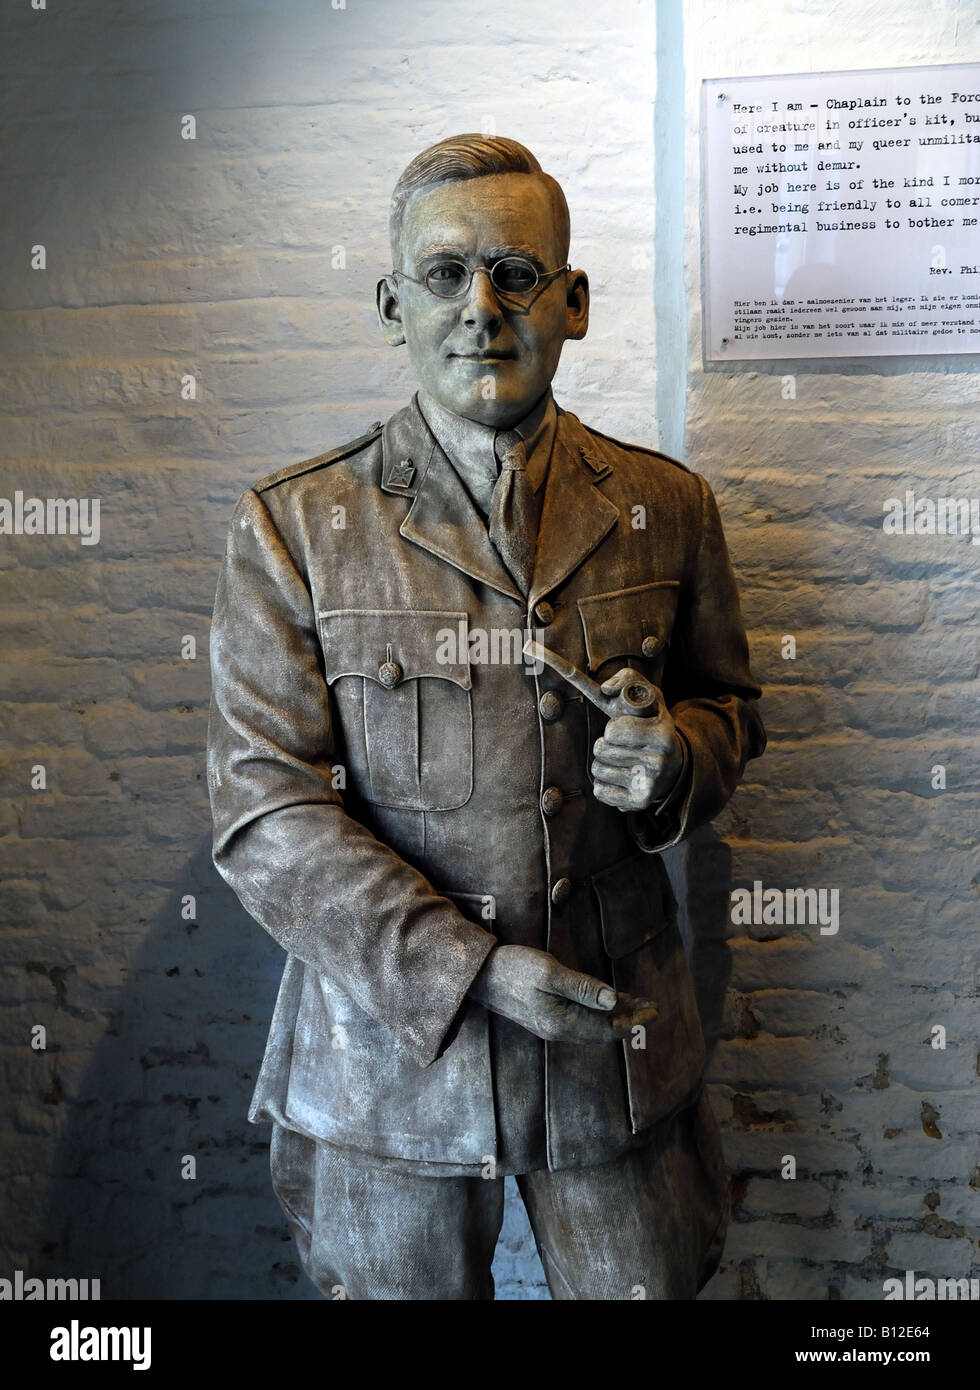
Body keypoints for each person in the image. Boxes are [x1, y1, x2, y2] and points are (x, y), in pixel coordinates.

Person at [207, 134, 766, 1300]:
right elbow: (265, 811)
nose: (482, 308)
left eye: (517, 274)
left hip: (614, 1047)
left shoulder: (667, 507)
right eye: (444, 274)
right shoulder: (297, 527)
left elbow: (728, 708)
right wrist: (469, 971)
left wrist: (676, 760)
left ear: (570, 303)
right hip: (385, 1055)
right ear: (388, 304)